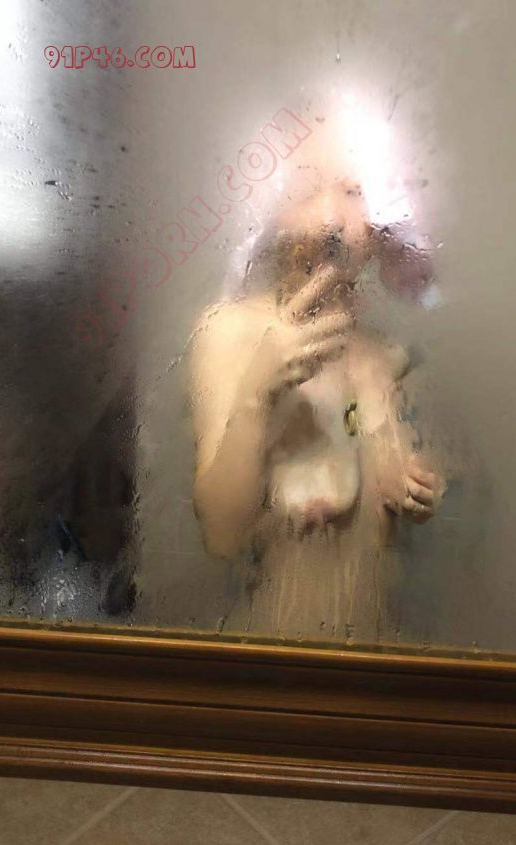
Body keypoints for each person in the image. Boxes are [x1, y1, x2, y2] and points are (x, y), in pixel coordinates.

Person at [189, 181, 442, 644]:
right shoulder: (232, 331)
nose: (331, 219)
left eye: (353, 192)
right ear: (271, 212)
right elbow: (221, 538)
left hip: (379, 656)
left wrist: (419, 490)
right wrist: (256, 395)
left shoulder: (383, 354)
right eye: (307, 191)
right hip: (275, 662)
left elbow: (398, 505)